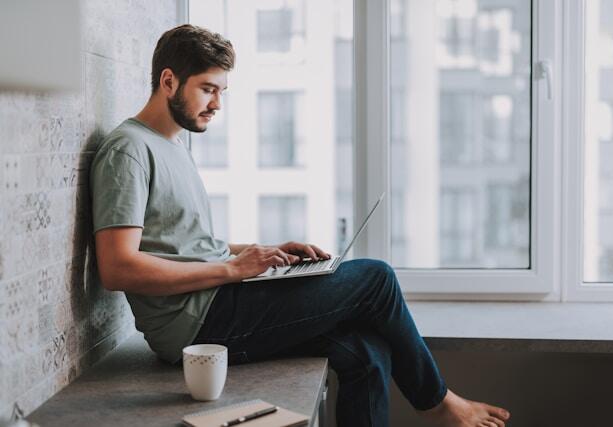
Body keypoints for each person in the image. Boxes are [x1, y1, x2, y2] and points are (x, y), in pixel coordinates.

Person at [90, 24, 511, 427]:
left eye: (222, 91)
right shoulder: (128, 150)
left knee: (368, 352)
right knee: (377, 278)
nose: (217, 103)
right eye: (208, 89)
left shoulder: (174, 145)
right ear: (168, 81)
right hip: (197, 323)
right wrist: (232, 269)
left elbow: (182, 243)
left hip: (220, 298)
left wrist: (261, 253)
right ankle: (438, 404)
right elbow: (118, 267)